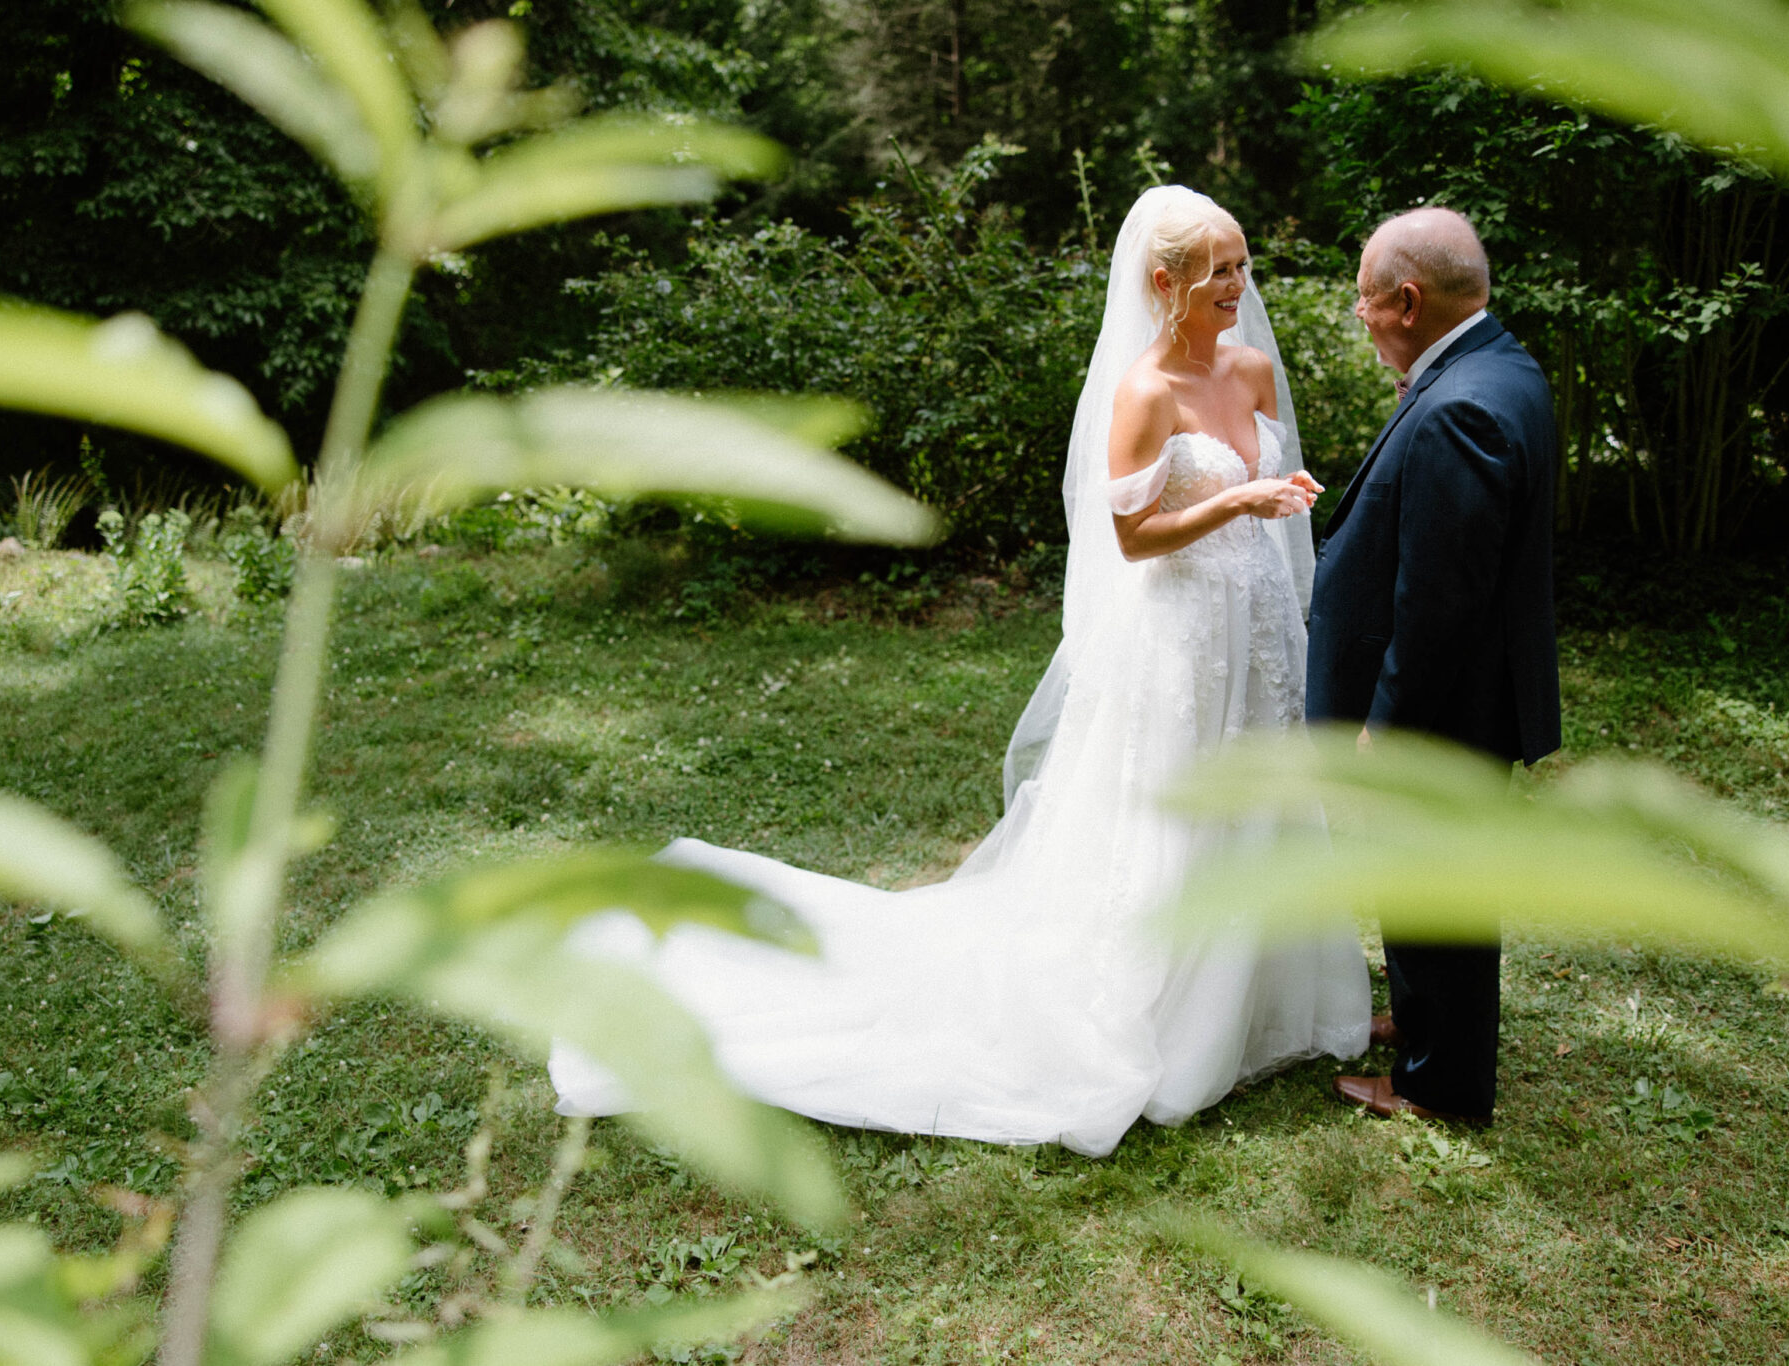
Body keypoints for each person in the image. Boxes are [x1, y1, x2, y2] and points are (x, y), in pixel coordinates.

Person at [549, 186, 1369, 1157]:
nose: (1239, 285)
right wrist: (1240, 505)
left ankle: (1268, 986)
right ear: (1163, 282)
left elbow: (1269, 480)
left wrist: (1283, 517)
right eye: (1220, 269)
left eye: (1242, 265)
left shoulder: (1253, 372)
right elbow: (1134, 535)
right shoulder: (1143, 391)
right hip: (1183, 629)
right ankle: (1174, 1005)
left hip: (1258, 625)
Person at [1306, 206, 1562, 1125]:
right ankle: (1425, 1026)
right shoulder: (1500, 367)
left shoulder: (1461, 406)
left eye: (1367, 304)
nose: (1365, 320)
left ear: (1407, 301)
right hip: (1476, 695)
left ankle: (1436, 1086)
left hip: (1446, 707)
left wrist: (1390, 717)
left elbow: (1439, 599)